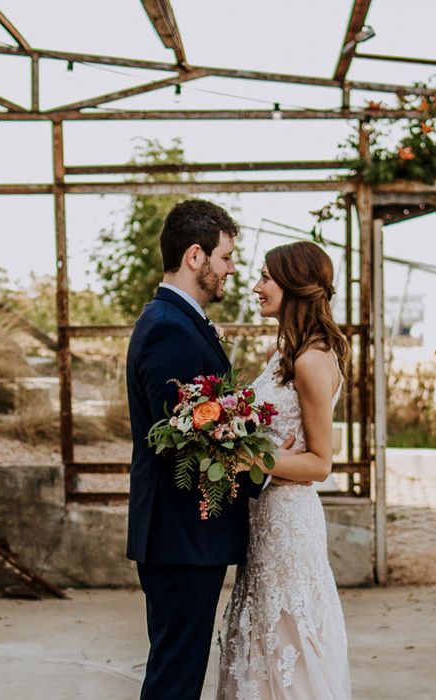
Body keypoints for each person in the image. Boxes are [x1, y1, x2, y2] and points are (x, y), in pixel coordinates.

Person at [126, 199, 265, 700]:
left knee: (177, 669)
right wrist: (265, 466)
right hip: (180, 534)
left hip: (182, 536)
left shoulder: (179, 320)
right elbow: (188, 436)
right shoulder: (169, 327)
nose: (230, 269)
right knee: (175, 677)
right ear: (194, 256)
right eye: (225, 257)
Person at [217, 241, 352, 699]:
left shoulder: (311, 360)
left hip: (289, 522)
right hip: (265, 519)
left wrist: (250, 458)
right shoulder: (284, 356)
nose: (256, 287)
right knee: (260, 642)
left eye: (266, 278)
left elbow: (319, 462)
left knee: (287, 640)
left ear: (295, 284)